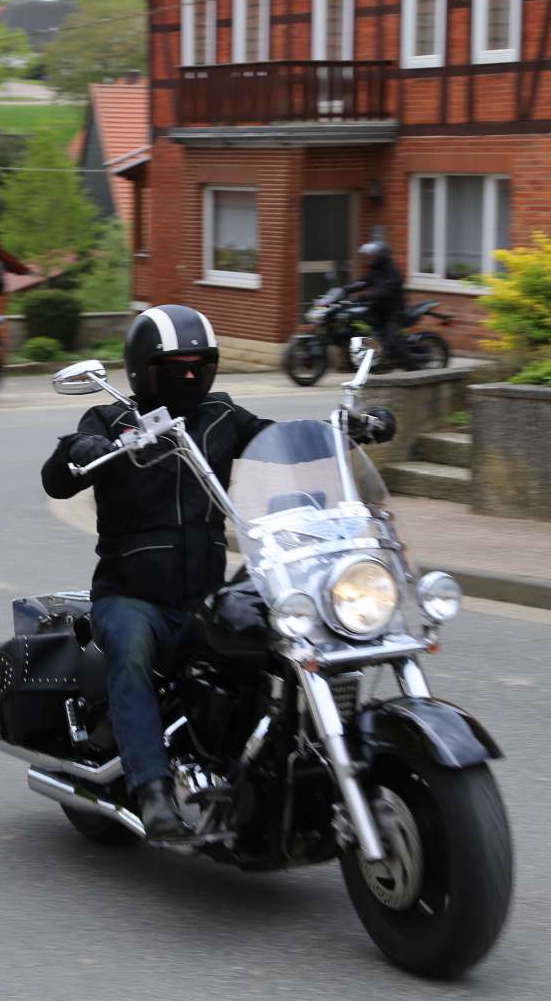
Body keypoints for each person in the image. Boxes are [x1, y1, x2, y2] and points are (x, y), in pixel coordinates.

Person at [41, 304, 394, 840]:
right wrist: (81, 450)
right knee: (132, 647)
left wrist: (346, 431)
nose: (188, 376)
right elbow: (58, 478)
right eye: (175, 366)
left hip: (203, 597)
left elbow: (286, 442)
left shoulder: (224, 417)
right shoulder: (111, 421)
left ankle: (291, 767)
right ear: (142, 370)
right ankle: (153, 791)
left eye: (198, 365)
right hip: (133, 598)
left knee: (293, 630)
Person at [343, 241, 409, 370]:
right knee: (358, 326)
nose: (370, 260)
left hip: (393, 312)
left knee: (392, 341)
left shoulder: (392, 272)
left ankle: (414, 369)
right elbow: (364, 281)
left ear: (381, 256)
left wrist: (364, 296)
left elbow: (383, 291)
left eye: (373, 257)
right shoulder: (376, 270)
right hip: (378, 310)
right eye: (369, 257)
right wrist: (347, 289)